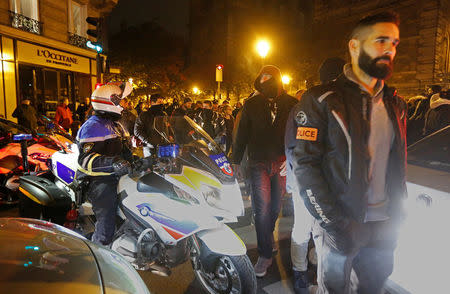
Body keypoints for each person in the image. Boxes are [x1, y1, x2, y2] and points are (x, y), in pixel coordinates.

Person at [290, 11, 407, 293]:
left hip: (384, 228)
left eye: (394, 43)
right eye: (380, 41)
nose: (389, 50)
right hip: (342, 227)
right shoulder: (321, 100)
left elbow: (395, 165)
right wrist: (336, 224)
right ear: (354, 46)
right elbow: (305, 166)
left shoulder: (396, 104)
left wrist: (399, 216)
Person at [286, 56, 345, 294]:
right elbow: (294, 149)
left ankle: (320, 276)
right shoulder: (307, 105)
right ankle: (300, 274)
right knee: (304, 229)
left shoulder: (346, 106)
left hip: (331, 186)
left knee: (322, 234)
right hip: (307, 183)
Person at [231, 65, 297, 277]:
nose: (265, 80)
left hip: (281, 163)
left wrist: (292, 157)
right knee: (262, 209)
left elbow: (298, 134)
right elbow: (241, 135)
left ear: (277, 79)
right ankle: (265, 254)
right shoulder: (251, 104)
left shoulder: (292, 104)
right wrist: (235, 161)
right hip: (258, 163)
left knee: (276, 206)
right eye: (262, 77)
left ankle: (267, 240)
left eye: (269, 77)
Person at [76, 82, 134, 245]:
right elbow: (85, 160)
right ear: (109, 102)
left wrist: (140, 161)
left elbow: (124, 151)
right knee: (107, 215)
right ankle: (101, 248)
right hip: (98, 179)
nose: (124, 105)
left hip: (117, 174)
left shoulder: (115, 125)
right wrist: (114, 163)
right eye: (121, 101)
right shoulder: (92, 126)